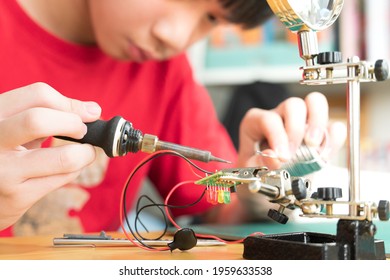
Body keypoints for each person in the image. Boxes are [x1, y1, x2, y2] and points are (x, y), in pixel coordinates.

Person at [0, 0, 345, 236]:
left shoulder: (166, 75)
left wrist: (257, 186)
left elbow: (218, 206)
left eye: (211, 18)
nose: (175, 35)